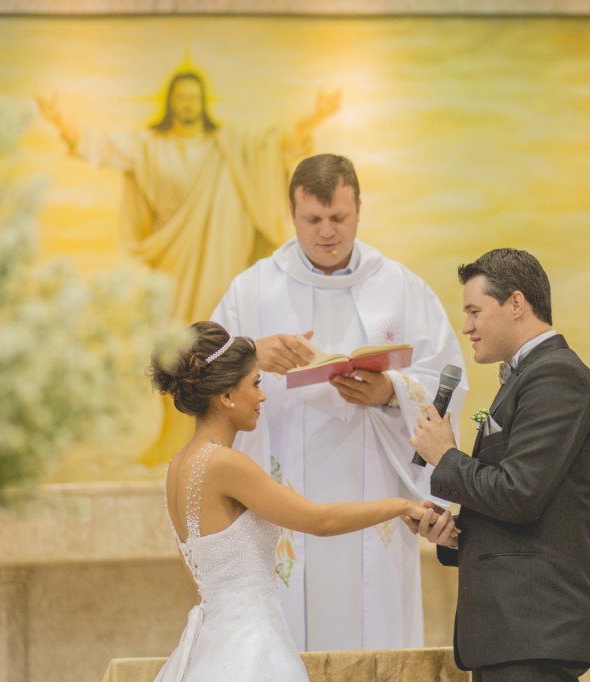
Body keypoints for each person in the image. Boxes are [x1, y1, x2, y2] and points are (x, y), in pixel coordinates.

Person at [210, 153, 467, 651]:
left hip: (375, 502)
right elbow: (201, 372)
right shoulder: (254, 289)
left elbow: (448, 380)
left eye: (339, 218)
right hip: (282, 493)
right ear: (292, 214)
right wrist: (252, 354)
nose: (327, 232)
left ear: (359, 210)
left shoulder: (401, 287)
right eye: (313, 220)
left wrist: (390, 390)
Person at [38, 70, 340, 468]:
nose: (187, 105)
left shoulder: (228, 146)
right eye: (180, 97)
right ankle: (171, 439)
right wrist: (64, 125)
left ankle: (218, 442)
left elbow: (275, 143)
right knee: (177, 346)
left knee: (220, 347)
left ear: (203, 102)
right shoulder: (151, 146)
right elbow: (110, 149)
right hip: (174, 263)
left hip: (221, 260)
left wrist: (314, 118)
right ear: (170, 102)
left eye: (194, 97)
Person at [148, 320, 430, 682]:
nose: (262, 396)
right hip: (249, 645)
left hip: (213, 638)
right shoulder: (222, 462)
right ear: (227, 396)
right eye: (256, 384)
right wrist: (400, 505)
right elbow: (319, 521)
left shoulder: (177, 466)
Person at [408, 248, 590, 681]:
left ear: (516, 303)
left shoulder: (557, 376)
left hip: (533, 631)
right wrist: (457, 533)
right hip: (512, 634)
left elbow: (519, 493)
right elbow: (521, 507)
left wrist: (445, 457)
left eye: (475, 311)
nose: (467, 327)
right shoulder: (528, 376)